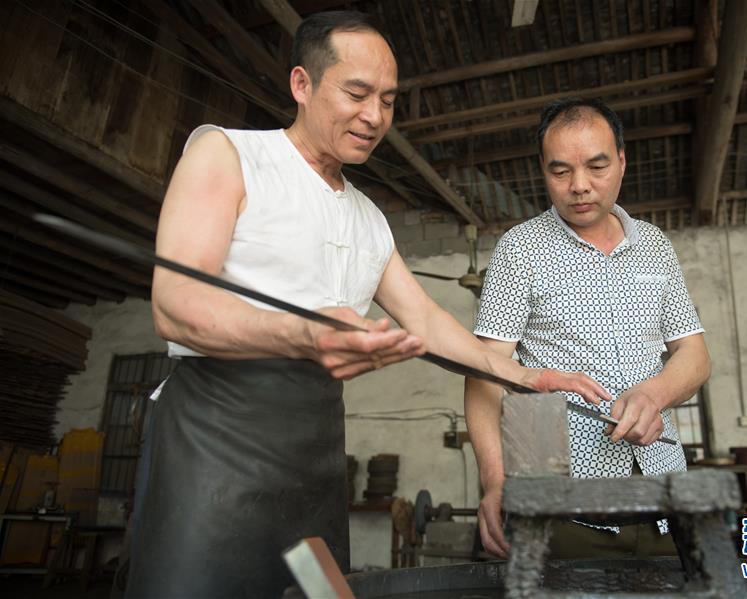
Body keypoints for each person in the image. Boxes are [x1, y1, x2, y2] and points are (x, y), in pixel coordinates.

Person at [125, 12, 609, 599]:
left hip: (314, 453)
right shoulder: (228, 154)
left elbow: (425, 319)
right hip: (214, 437)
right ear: (302, 84)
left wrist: (523, 376)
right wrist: (305, 333)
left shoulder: (368, 218)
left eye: (387, 100)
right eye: (356, 94)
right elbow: (175, 305)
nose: (375, 116)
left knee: (315, 592)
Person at [464, 97, 711, 560]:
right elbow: (484, 375)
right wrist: (494, 482)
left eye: (597, 167)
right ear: (543, 170)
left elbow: (695, 356)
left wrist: (653, 395)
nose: (579, 186)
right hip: (561, 501)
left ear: (622, 161)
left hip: (663, 489)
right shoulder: (520, 249)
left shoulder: (655, 245)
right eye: (560, 171)